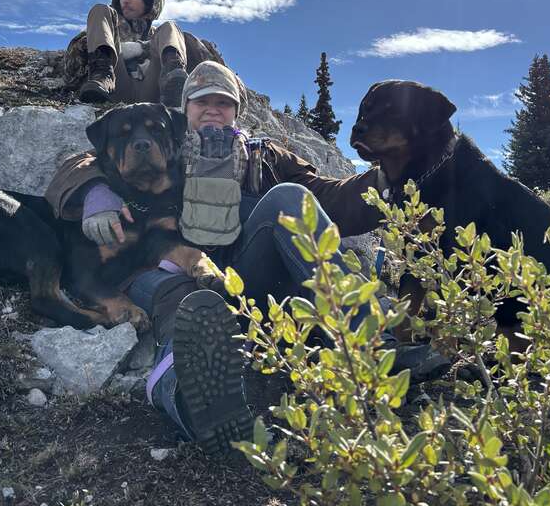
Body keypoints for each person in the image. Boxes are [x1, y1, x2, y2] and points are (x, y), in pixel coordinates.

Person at [45, 62, 448, 455]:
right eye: (202, 101)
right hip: (182, 277)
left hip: (250, 278)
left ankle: (374, 348)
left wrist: (390, 178)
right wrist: (95, 192)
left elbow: (329, 198)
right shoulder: (165, 147)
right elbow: (85, 162)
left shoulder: (264, 156)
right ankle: (190, 404)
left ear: (237, 110)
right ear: (185, 109)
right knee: (188, 306)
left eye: (223, 102)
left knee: (289, 198)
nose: (213, 109)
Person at [67, 0, 216, 107]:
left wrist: (142, 48)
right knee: (100, 9)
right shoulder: (106, 27)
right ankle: (102, 75)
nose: (125, 0)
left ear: (148, 2)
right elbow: (72, 63)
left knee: (170, 27)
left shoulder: (160, 35)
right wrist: (119, 52)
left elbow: (209, 64)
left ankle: (174, 79)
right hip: (114, 88)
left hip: (154, 91)